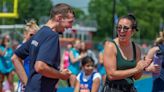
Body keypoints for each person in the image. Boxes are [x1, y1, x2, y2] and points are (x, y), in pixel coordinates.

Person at [11, 3, 74, 92]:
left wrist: (27, 84)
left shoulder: (39, 33)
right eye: (70, 22)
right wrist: (61, 75)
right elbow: (40, 67)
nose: (70, 26)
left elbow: (15, 58)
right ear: (59, 18)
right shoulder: (52, 36)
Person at [102, 14, 149, 92]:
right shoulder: (110, 46)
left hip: (129, 88)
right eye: (119, 27)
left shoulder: (136, 49)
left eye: (126, 28)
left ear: (133, 31)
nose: (122, 30)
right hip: (113, 89)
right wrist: (136, 69)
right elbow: (111, 75)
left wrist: (142, 66)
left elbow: (136, 77)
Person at [17, 20, 39, 92]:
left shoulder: (38, 48)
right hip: (25, 81)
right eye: (31, 35)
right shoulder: (21, 48)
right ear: (25, 34)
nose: (33, 37)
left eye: (35, 35)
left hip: (36, 81)